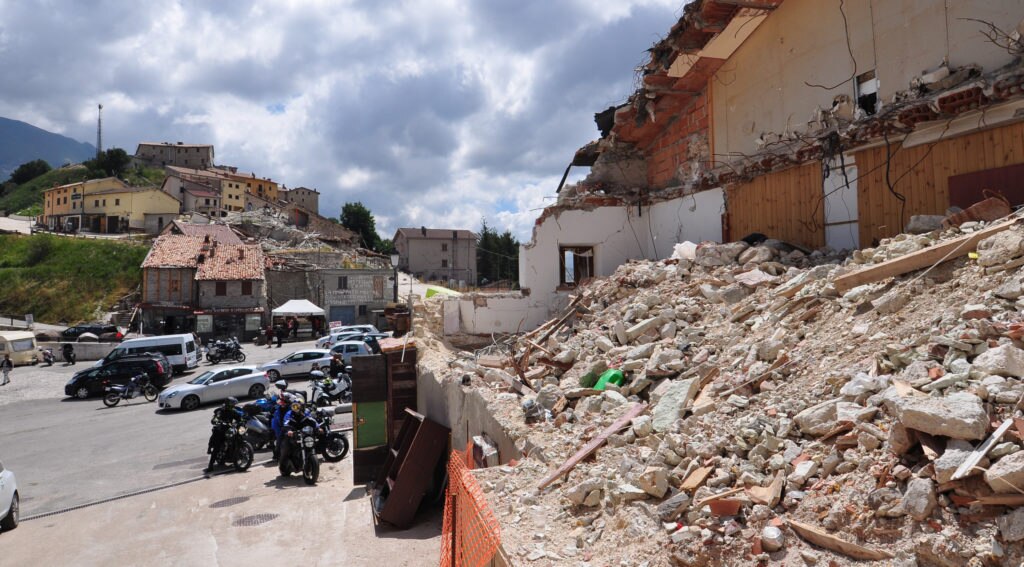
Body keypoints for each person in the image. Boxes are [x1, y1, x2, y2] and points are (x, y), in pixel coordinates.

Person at [205, 397, 243, 473]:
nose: (233, 406)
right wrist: (217, 421)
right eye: (232, 404)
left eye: (234, 404)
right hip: (220, 429)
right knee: (217, 447)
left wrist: (242, 420)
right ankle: (210, 465)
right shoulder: (220, 410)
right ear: (228, 404)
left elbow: (239, 418)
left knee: (239, 436)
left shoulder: (233, 411)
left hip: (229, 429)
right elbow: (215, 418)